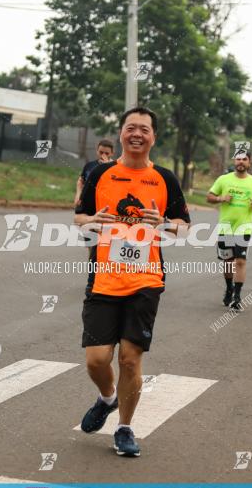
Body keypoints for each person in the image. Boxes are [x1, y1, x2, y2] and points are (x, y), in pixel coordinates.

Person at [73, 107, 190, 457]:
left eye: (144, 129)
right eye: (130, 127)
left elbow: (184, 227)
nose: (136, 133)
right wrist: (89, 220)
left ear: (154, 137)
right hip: (104, 278)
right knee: (96, 359)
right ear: (121, 132)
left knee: (129, 359)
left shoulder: (166, 179)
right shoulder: (100, 174)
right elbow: (80, 216)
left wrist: (164, 224)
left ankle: (124, 427)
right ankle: (107, 398)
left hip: (146, 280)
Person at [207, 150, 252, 310]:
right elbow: (209, 196)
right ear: (234, 161)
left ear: (249, 162)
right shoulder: (223, 179)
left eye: (244, 159)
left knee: (240, 261)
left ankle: (237, 296)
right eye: (238, 159)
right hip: (226, 228)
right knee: (228, 262)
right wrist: (221, 198)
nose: (241, 162)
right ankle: (229, 289)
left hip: (244, 228)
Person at [74, 139, 115, 207]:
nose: (103, 155)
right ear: (97, 151)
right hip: (87, 203)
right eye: (101, 152)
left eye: (107, 153)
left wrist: (107, 167)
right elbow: (81, 181)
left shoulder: (115, 168)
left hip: (106, 205)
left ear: (112, 153)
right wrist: (78, 195)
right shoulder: (89, 165)